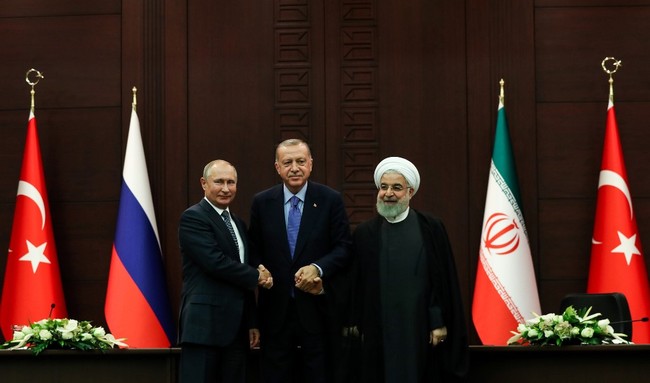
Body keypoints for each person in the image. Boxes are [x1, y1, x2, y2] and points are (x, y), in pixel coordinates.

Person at [350, 156, 469, 382]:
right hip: (379, 327)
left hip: (419, 327)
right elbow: (356, 284)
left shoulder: (431, 228)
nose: (389, 193)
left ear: (410, 192)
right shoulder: (365, 234)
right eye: (383, 187)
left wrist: (438, 321)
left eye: (397, 188)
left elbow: (442, 281)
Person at [248, 139, 352, 383]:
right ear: (277, 167)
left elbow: (344, 247)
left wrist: (318, 268)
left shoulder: (330, 199)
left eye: (300, 161)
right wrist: (259, 267)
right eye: (288, 162)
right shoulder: (262, 202)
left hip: (317, 311)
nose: (294, 167)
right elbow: (253, 249)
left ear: (311, 165)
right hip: (275, 312)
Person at [178, 159, 273, 383]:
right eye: (219, 182)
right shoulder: (193, 217)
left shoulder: (238, 223)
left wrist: (251, 321)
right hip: (204, 327)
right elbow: (215, 262)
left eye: (231, 182)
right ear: (203, 183)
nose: (225, 188)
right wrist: (257, 276)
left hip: (237, 330)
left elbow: (241, 272)